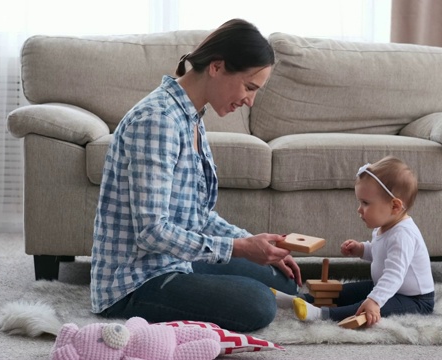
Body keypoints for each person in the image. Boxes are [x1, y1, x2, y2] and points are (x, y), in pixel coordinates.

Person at [90, 19, 302, 333]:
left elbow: (196, 216)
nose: (250, 101)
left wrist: (251, 242)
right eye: (249, 87)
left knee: (281, 280)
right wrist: (239, 249)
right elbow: (151, 231)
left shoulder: (190, 116)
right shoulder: (158, 120)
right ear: (217, 67)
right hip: (135, 282)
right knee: (259, 303)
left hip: (175, 260)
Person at [273, 156, 435, 327]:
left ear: (394, 206)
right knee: (346, 291)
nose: (359, 209)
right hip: (385, 286)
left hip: (415, 300)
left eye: (365, 203)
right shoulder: (386, 226)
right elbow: (380, 253)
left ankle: (322, 314)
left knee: (365, 307)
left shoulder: (403, 235)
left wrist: (375, 300)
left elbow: (394, 275)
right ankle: (300, 300)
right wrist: (361, 249)